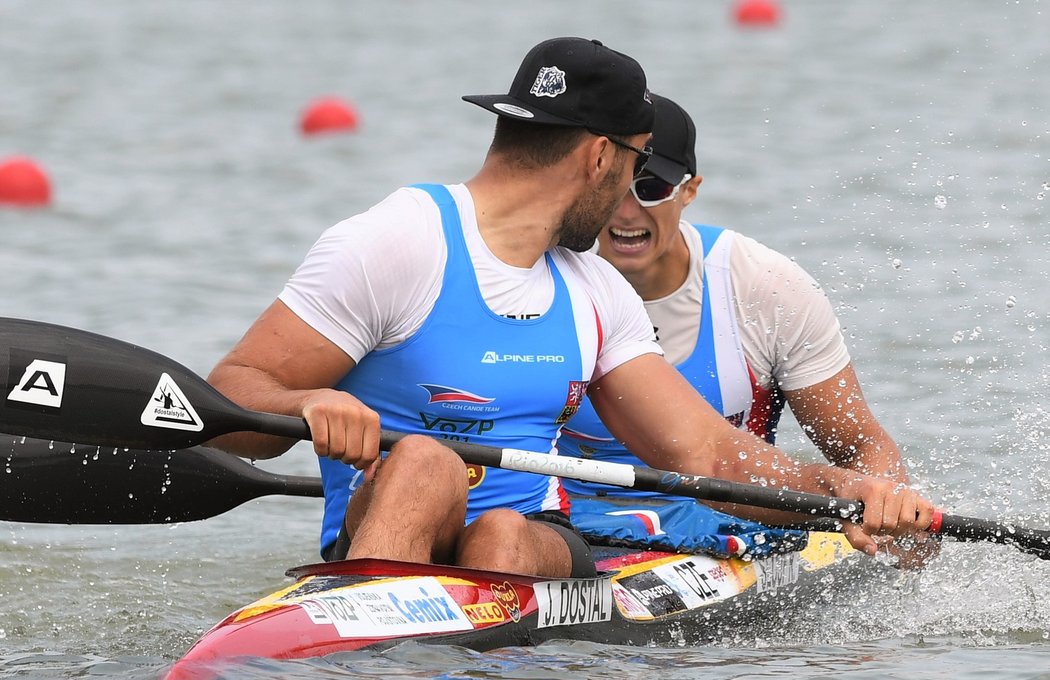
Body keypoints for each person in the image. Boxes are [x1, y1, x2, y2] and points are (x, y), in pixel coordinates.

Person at [206, 37, 936, 580]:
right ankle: (364, 653)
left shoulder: (593, 290)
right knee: (426, 462)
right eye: (632, 166)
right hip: (390, 526)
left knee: (503, 534)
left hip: (530, 551)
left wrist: (846, 490)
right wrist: (309, 404)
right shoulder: (399, 242)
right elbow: (235, 397)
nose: (627, 194)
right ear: (597, 158)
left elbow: (707, 454)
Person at [559, 94, 937, 566]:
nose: (627, 213)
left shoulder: (763, 286)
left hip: (721, 529)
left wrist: (890, 514)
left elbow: (860, 445)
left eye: (651, 188)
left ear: (690, 190)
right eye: (614, 189)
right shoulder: (543, 275)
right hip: (575, 525)